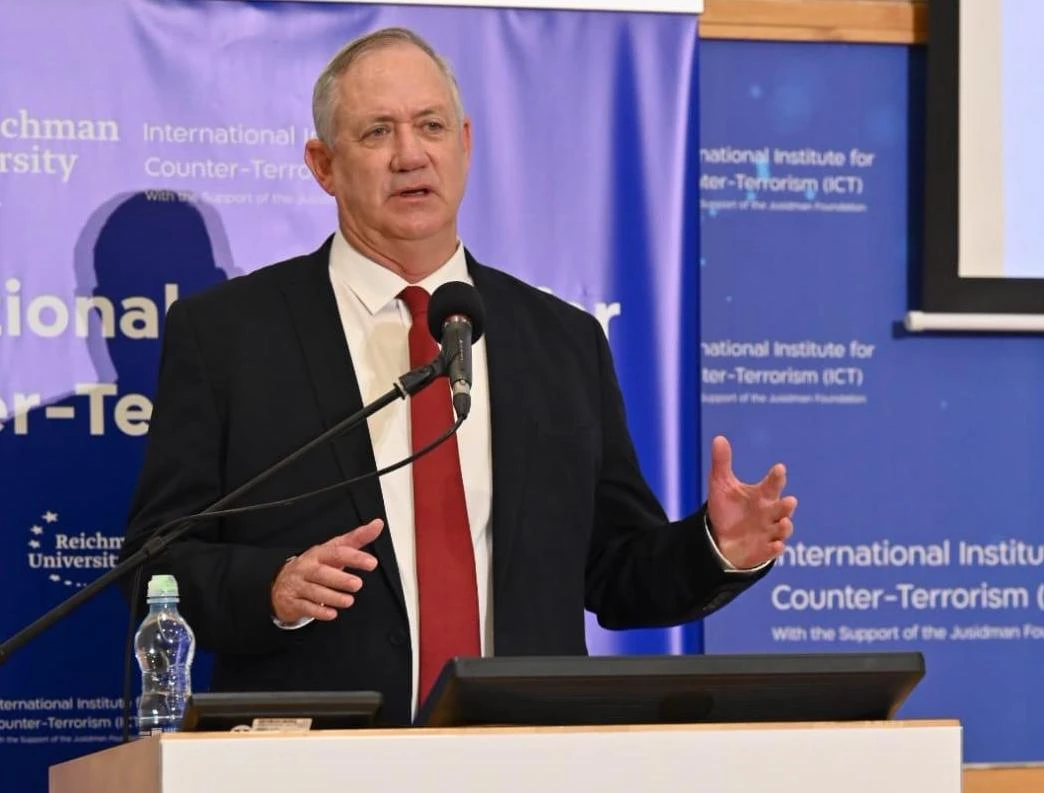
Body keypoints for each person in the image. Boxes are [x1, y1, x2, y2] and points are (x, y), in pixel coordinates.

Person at [119, 27, 797, 726]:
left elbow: (615, 570)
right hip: (320, 756)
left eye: (430, 126)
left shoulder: (561, 340)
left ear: (465, 142)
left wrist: (717, 549)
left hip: (524, 754)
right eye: (377, 131)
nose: (410, 154)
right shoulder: (232, 336)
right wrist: (271, 588)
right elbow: (154, 563)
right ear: (323, 165)